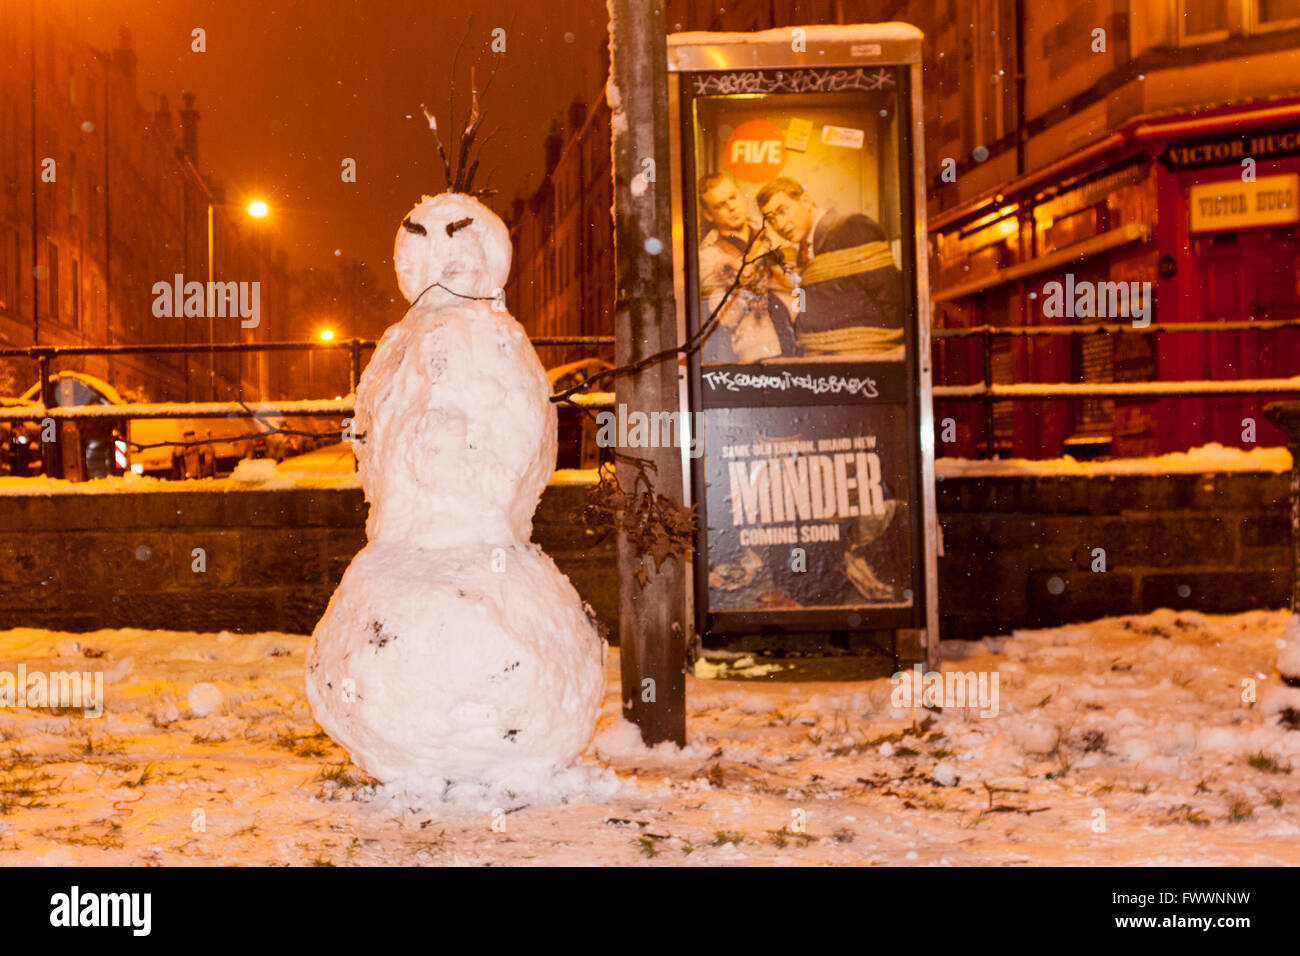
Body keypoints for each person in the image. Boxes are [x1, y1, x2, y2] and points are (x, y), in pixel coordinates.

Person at [756, 176, 904, 359]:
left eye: (783, 211)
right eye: (771, 220)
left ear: (806, 200)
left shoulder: (850, 226)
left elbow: (891, 295)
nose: (779, 225)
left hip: (867, 356)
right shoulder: (805, 250)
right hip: (830, 358)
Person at [696, 173, 797, 363]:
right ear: (709, 214)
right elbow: (727, 317)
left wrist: (741, 273)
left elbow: (798, 281)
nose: (731, 207)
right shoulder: (707, 257)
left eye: (733, 197)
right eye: (720, 205)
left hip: (799, 337)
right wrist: (754, 264)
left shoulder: (774, 231)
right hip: (759, 351)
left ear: (741, 196)